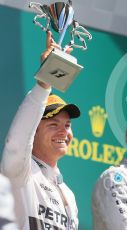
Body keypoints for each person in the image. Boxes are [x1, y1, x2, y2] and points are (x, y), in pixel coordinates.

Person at [0, 31, 79, 229]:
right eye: (54, 125)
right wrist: (45, 83)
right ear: (33, 132)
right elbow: (16, 144)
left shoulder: (68, 193)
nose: (63, 132)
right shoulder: (21, 171)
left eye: (67, 126)